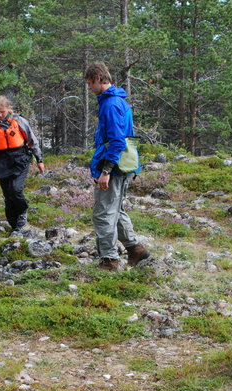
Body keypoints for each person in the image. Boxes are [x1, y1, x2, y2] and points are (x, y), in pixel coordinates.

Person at [84, 61, 150, 271]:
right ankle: (135, 250)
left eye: (89, 84)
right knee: (116, 210)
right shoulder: (118, 101)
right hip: (121, 165)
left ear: (98, 79)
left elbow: (117, 141)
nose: (89, 88)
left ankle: (110, 260)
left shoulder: (110, 104)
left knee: (103, 213)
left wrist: (106, 171)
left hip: (114, 166)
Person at [0, 95, 45, 234]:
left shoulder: (19, 121)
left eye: (2, 112)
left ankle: (23, 215)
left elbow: (32, 140)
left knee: (15, 190)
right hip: (2, 161)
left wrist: (39, 160)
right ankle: (14, 226)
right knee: (7, 195)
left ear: (8, 109)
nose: (0, 115)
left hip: (20, 159)